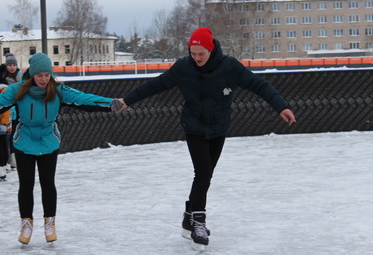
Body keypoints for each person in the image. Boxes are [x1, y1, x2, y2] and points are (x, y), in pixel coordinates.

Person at [114, 27, 296, 251]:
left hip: (218, 128)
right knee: (202, 173)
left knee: (206, 175)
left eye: (201, 53)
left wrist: (281, 107)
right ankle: (198, 224)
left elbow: (260, 85)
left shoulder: (229, 67)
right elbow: (155, 85)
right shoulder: (183, 67)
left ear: (211, 50)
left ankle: (188, 217)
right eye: (193, 53)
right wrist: (127, 100)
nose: (197, 58)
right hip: (193, 126)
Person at [0, 53, 121, 245]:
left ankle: (49, 221)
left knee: (47, 183)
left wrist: (110, 103)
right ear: (32, 74)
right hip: (24, 140)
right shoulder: (17, 90)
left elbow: (84, 98)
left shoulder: (58, 90)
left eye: (47, 75)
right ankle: (26, 223)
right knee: (26, 185)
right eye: (40, 75)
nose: (44, 79)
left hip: (48, 141)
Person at [4, 53, 22, 171]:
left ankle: (15, 157)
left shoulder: (21, 77)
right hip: (7, 109)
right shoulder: (4, 78)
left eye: (14, 65)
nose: (12, 67)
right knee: (7, 134)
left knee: (17, 132)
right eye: (9, 65)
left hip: (19, 108)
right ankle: (9, 159)